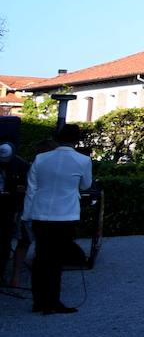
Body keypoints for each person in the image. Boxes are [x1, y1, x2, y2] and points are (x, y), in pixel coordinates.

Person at [23, 124, 92, 314]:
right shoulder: (83, 160)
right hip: (65, 214)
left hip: (40, 212)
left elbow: (32, 188)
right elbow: (85, 185)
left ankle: (38, 301)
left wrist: (26, 214)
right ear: (77, 140)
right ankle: (52, 301)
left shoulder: (41, 158)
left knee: (41, 257)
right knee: (56, 260)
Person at [0, 142, 31, 283]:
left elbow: (26, 185)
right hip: (9, 204)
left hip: (9, 205)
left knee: (5, 239)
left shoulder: (21, 165)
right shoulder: (20, 164)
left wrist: (20, 190)